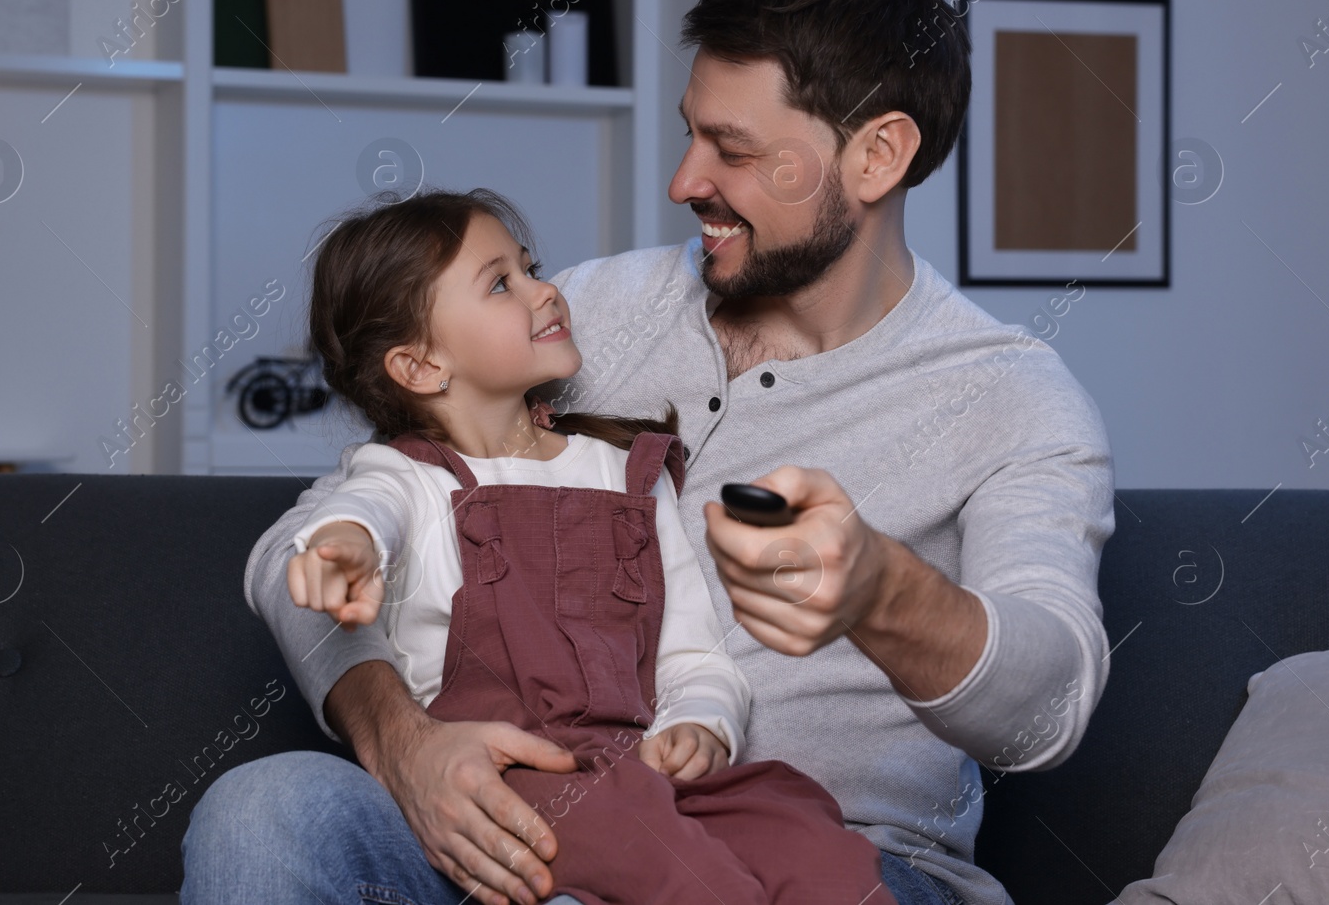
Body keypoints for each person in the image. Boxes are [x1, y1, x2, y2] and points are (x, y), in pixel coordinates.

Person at [182, 0, 1115, 905]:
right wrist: (399, 736)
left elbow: (1043, 713)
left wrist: (885, 593)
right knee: (267, 804)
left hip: (838, 857)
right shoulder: (583, 315)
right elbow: (321, 540)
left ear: (877, 153)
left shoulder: (1009, 393)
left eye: (734, 150)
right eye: (690, 131)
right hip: (529, 815)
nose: (683, 182)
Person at [274, 186, 895, 905]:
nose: (547, 293)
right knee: (673, 865)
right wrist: (343, 545)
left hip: (640, 775)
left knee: (801, 827)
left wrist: (701, 722)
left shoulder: (627, 474)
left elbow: (693, 652)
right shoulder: (405, 478)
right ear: (420, 366)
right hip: (507, 784)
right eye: (503, 283)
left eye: (533, 268)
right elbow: (362, 514)